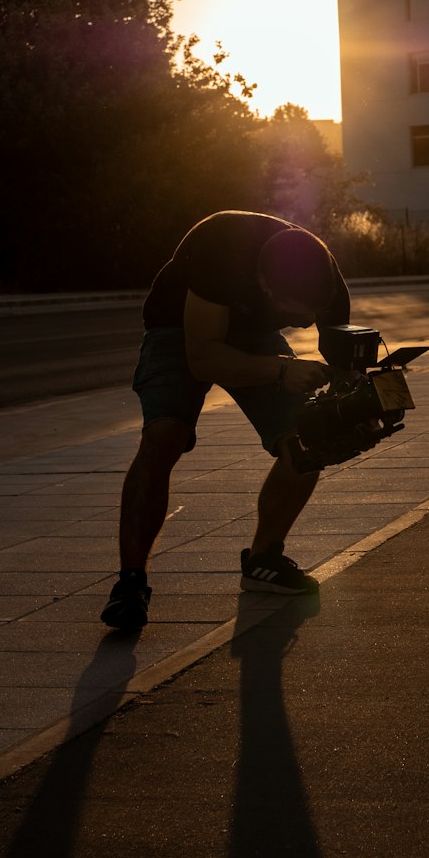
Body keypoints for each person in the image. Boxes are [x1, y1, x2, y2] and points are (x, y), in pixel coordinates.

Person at [101, 210, 351, 631]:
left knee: (309, 438)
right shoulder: (219, 251)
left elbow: (345, 360)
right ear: (265, 285)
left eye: (315, 313)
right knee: (165, 434)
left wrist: (357, 400)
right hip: (179, 329)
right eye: (295, 316)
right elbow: (203, 359)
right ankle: (130, 583)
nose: (308, 323)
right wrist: (281, 369)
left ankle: (264, 561)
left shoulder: (322, 278)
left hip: (252, 335)